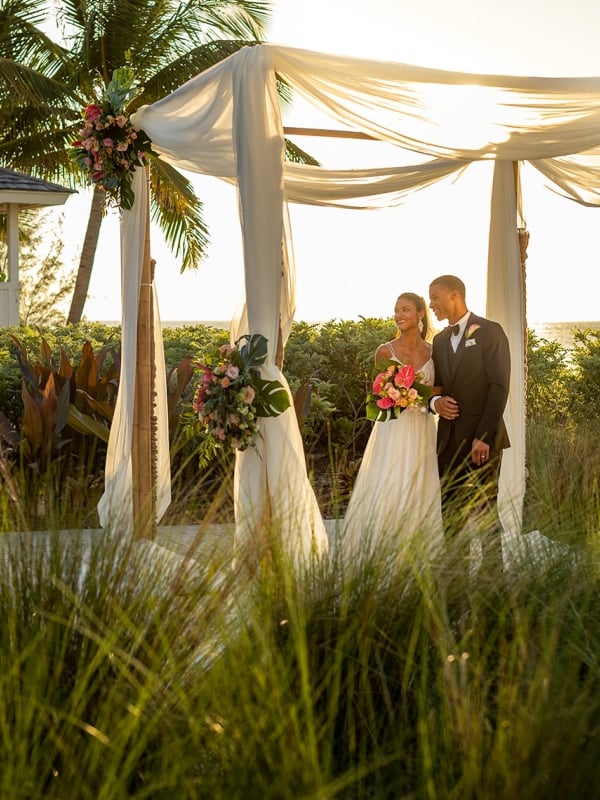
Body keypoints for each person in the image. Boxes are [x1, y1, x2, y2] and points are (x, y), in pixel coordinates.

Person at [341, 292, 444, 568]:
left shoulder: (434, 351)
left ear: (421, 313)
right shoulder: (385, 351)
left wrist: (417, 395)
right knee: (390, 481)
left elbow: (437, 391)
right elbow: (378, 393)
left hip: (422, 428)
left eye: (406, 309)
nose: (399, 315)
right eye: (397, 310)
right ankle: (385, 554)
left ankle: (420, 555)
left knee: (421, 484)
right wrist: (397, 394)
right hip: (393, 429)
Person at [428, 274, 511, 572]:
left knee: (484, 511)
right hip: (447, 441)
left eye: (435, 297)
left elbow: (499, 386)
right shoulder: (438, 341)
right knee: (450, 514)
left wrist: (484, 436)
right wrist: (434, 403)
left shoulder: (490, 332)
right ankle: (456, 578)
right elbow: (435, 388)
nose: (431, 304)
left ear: (455, 295)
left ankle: (493, 580)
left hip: (482, 441)